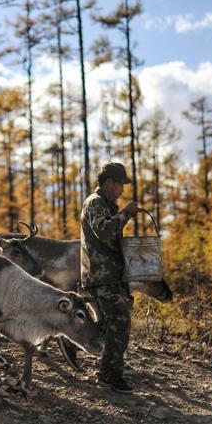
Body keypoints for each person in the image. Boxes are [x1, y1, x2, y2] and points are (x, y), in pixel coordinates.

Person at [80, 161, 140, 394]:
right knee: (120, 321)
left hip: (109, 275)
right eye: (120, 185)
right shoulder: (95, 203)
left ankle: (108, 369)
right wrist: (125, 214)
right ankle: (109, 376)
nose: (122, 190)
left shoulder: (105, 204)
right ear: (109, 183)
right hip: (100, 275)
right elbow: (104, 231)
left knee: (109, 324)